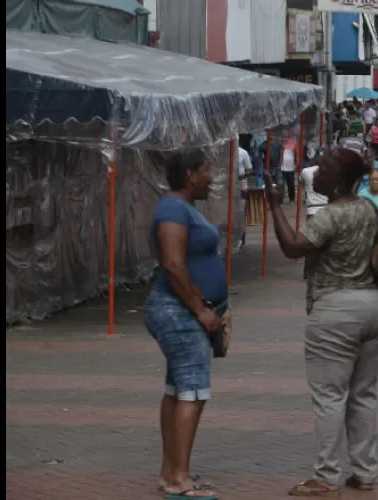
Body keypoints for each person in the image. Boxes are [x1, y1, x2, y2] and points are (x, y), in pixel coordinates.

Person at [266, 148, 378, 496]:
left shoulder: (329, 214)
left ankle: (327, 475)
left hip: (336, 310)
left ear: (336, 185)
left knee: (330, 397)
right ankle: (365, 472)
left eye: (325, 169)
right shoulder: (370, 208)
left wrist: (275, 204)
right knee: (363, 394)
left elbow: (293, 247)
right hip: (372, 306)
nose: (316, 172)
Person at [145, 150, 228, 500]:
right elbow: (174, 265)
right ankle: (179, 478)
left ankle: (171, 472)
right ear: (191, 174)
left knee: (177, 390)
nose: (213, 178)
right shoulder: (173, 210)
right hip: (179, 312)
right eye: (208, 171)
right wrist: (201, 309)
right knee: (193, 392)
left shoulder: (183, 208)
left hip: (184, 311)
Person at [299, 162, 329, 279]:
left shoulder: (306, 172)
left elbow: (301, 182)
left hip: (312, 211)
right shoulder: (330, 171)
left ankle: (308, 271)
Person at [280, 133, 298, 203]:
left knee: (291, 185)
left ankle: (292, 199)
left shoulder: (293, 144)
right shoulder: (279, 145)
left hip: (290, 168)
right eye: (283, 137)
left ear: (288, 137)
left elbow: (297, 155)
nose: (284, 138)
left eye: (285, 137)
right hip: (281, 168)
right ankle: (280, 199)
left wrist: (297, 164)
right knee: (281, 185)